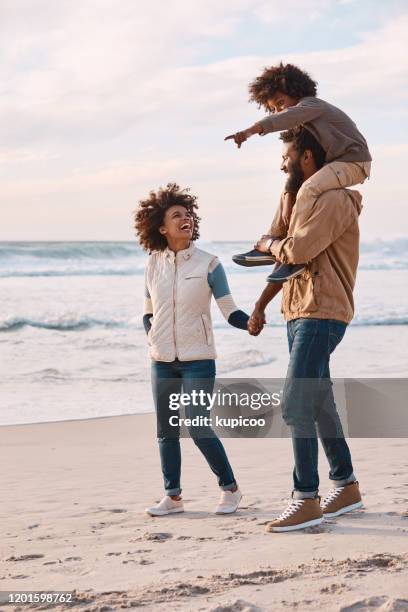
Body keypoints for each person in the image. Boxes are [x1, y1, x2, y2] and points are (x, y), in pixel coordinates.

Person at [248, 127, 364, 532]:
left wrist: (267, 244)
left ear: (309, 158)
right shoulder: (294, 197)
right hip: (296, 310)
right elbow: (280, 248)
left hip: (324, 310)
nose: (282, 163)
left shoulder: (335, 200)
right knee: (318, 403)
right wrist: (262, 305)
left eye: (287, 156)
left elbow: (293, 249)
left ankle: (306, 499)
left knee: (296, 403)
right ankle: (346, 486)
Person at [135, 183, 250, 517]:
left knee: (198, 426)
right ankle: (173, 497)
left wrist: (251, 322)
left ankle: (230, 489)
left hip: (198, 360)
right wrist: (152, 335)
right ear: (162, 227)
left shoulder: (209, 264)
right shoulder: (152, 264)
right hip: (161, 361)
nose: (185, 219)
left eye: (188, 215)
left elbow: (230, 310)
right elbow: (147, 310)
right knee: (166, 430)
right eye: (177, 216)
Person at [225, 62, 371, 283]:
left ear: (295, 92)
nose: (279, 111)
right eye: (273, 108)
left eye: (281, 103)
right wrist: (287, 197)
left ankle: (296, 255)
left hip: (354, 162)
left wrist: (250, 131)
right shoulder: (306, 123)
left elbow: (284, 118)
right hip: (336, 164)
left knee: (309, 188)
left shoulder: (313, 106)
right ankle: (271, 242)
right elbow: (295, 167)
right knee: (291, 188)